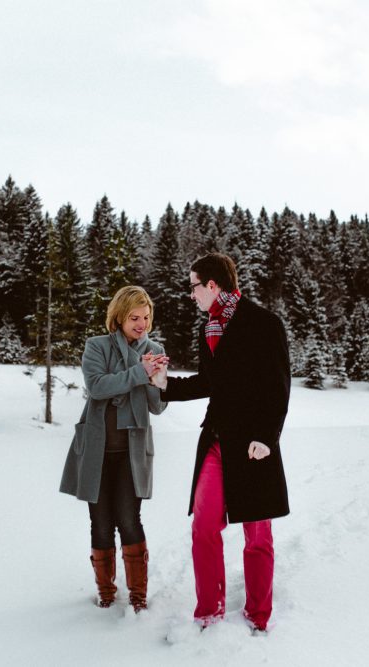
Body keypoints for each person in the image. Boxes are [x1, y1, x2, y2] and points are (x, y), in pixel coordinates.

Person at [150, 253, 291, 633]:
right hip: (216, 437)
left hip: (253, 445)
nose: (191, 294)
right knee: (204, 526)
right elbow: (209, 382)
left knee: (257, 535)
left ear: (212, 285)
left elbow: (279, 386)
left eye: (194, 286)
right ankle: (209, 612)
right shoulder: (209, 328)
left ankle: (258, 616)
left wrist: (267, 437)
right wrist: (165, 385)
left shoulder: (264, 322)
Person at [59, 286, 169, 612]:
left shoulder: (154, 350)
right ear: (119, 317)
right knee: (101, 523)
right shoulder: (97, 346)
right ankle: (106, 592)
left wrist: (158, 380)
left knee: (129, 519)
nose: (141, 324)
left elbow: (157, 407)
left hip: (132, 454)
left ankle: (138, 595)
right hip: (97, 450)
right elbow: (97, 387)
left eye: (146, 317)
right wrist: (139, 372)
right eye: (134, 317)